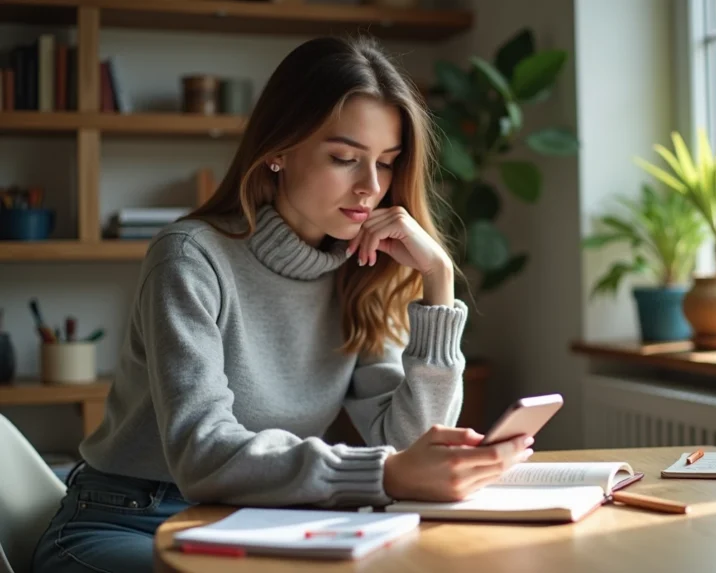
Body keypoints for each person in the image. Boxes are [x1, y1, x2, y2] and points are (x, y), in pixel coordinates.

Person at [31, 35, 534, 573]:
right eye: (345, 158)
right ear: (278, 151)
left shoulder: (362, 270)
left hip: (259, 518)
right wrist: (383, 474)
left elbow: (408, 443)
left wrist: (438, 281)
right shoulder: (190, 257)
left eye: (387, 163)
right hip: (130, 519)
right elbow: (201, 453)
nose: (371, 187)